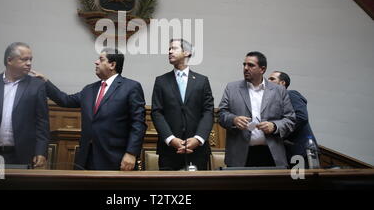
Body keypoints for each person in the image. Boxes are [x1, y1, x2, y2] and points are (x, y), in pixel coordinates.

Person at [34, 48, 147, 171]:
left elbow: (138, 124)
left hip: (115, 158)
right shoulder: (89, 89)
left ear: (112, 65)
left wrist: (131, 153)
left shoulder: (131, 87)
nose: (96, 62)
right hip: (86, 157)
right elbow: (65, 100)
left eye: (101, 59)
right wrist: (45, 82)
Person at [218, 51, 295, 168]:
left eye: (251, 65)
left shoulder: (279, 91)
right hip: (240, 155)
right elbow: (221, 114)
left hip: (272, 154)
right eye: (244, 64)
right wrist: (234, 120)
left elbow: (290, 120)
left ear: (262, 69)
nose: (245, 68)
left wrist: (274, 126)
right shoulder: (232, 88)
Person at [151, 39, 214, 170]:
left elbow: (208, 112)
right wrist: (171, 139)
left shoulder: (202, 81)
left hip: (197, 151)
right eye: (169, 49)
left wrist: (198, 139)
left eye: (173, 48)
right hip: (169, 151)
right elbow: (156, 113)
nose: (169, 51)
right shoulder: (161, 81)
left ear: (186, 52)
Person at [268, 71, 318, 167]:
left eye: (272, 79)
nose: (268, 81)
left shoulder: (290, 94)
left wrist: (278, 129)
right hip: (288, 154)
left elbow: (301, 117)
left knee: (302, 181)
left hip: (301, 152)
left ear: (282, 83)